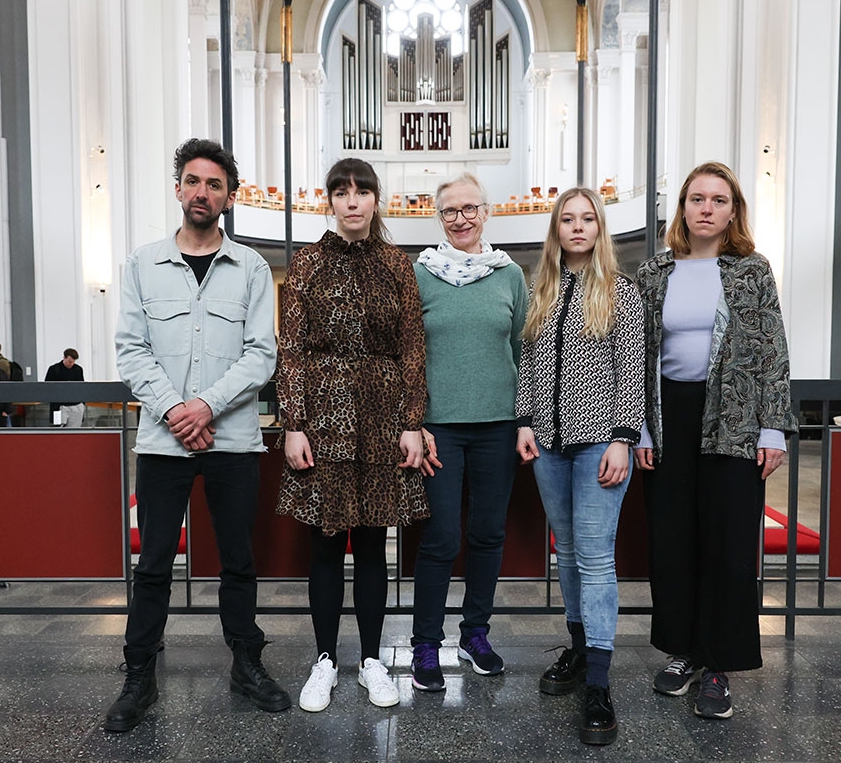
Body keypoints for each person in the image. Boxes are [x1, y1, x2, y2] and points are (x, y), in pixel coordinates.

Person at [108, 138, 290, 733]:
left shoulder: (253, 269)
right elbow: (131, 351)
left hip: (232, 442)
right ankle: (139, 677)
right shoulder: (141, 264)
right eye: (193, 181)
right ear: (178, 188)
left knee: (238, 560)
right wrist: (175, 412)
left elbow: (261, 354)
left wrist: (205, 407)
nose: (202, 193)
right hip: (162, 444)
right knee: (154, 563)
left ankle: (246, 664)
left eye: (214, 185)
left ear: (229, 198)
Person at [634, 161, 797, 720]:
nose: (706, 208)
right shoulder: (654, 272)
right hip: (668, 418)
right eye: (697, 199)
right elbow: (636, 356)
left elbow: (773, 353)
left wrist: (772, 426)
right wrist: (640, 426)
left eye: (718, 200)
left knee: (728, 546)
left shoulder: (752, 271)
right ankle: (684, 651)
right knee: (673, 540)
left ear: (733, 211)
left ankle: (720, 665)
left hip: (733, 417)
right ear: (682, 207)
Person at [276, 157, 428, 713]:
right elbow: (290, 347)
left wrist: (412, 421)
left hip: (383, 416)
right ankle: (323, 661)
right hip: (323, 415)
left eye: (362, 191)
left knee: (370, 544)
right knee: (324, 544)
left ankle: (369, 661)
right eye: (342, 192)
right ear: (331, 201)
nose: (353, 201)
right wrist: (293, 422)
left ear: (375, 199)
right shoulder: (308, 262)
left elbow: (413, 345)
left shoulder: (396, 264)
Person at [515, 187, 645, 746]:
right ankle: (577, 645)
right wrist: (525, 420)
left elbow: (633, 369)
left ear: (599, 227)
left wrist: (622, 437)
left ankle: (598, 682)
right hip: (547, 443)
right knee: (565, 551)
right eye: (566, 219)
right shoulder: (538, 289)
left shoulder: (620, 291)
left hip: (600, 443)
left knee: (594, 555)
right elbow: (527, 365)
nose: (576, 227)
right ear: (555, 228)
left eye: (586, 218)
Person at [409, 172, 527, 691]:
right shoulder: (420, 275)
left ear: (486, 213)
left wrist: (525, 419)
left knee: (488, 535)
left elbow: (527, 355)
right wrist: (411, 422)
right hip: (438, 429)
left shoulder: (510, 276)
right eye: (450, 211)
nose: (461, 219)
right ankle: (425, 646)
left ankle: (475, 633)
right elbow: (408, 357)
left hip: (498, 426)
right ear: (439, 219)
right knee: (440, 538)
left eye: (470, 209)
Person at [44, 348, 85, 427]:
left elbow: (81, 387)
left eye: (73, 362)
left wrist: (82, 403)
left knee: (75, 431)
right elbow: (47, 387)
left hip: (76, 405)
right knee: (58, 430)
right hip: (59, 406)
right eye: (69, 361)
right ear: (64, 358)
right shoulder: (54, 369)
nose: (71, 364)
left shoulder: (78, 369)